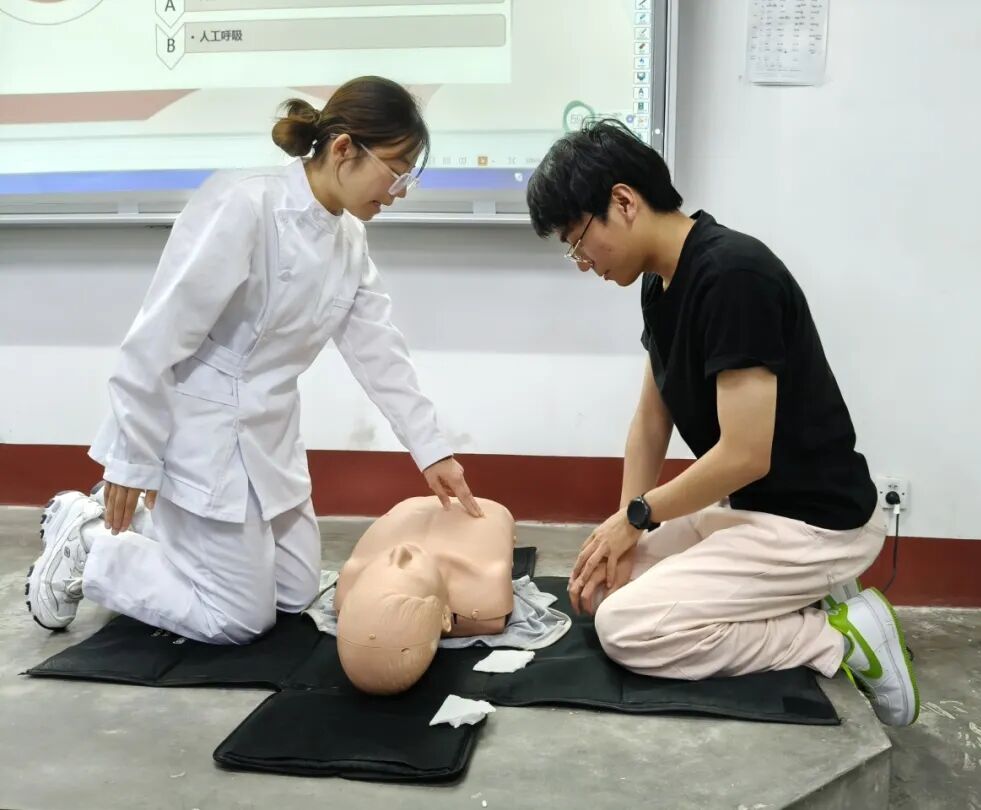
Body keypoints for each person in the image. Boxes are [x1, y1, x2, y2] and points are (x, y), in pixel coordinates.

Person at [26, 76, 482, 645]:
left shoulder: (347, 239)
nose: (399, 191)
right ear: (344, 148)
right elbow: (157, 337)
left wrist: (432, 449)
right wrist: (131, 459)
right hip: (201, 428)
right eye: (396, 170)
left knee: (294, 593)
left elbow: (378, 349)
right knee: (238, 619)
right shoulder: (244, 203)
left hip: (269, 432)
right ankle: (90, 546)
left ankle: (155, 528)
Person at [524, 120, 919, 727]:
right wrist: (623, 532)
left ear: (623, 203)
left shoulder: (735, 276)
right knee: (606, 590)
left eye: (578, 241)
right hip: (752, 514)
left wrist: (639, 518)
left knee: (626, 629)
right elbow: (649, 422)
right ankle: (791, 603)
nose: (582, 263)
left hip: (814, 523)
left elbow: (745, 455)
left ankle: (839, 636)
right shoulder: (660, 284)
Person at [334, 495, 514, 694]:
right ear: (445, 616)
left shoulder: (352, 576)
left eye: (370, 582)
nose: (399, 552)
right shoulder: (484, 585)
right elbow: (491, 620)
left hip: (409, 505)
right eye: (407, 571)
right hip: (487, 509)